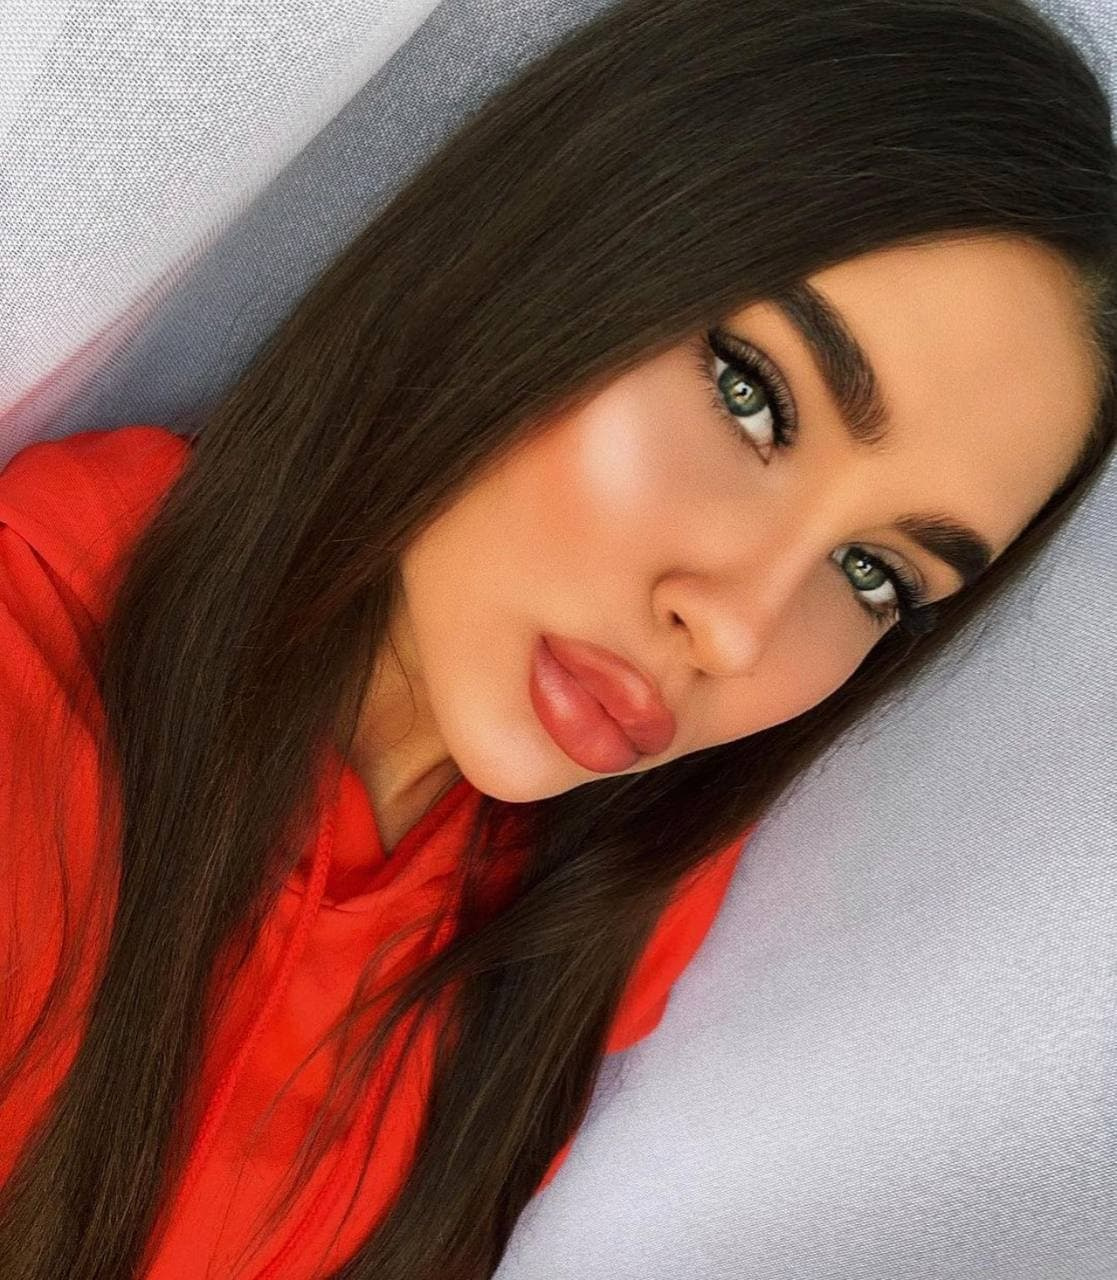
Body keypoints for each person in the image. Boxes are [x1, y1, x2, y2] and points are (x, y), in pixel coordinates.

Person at [0, 0, 1114, 1277]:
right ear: (546, 252)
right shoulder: (37, 686)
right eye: (751, 396)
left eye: (874, 574)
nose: (738, 629)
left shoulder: (615, 900)